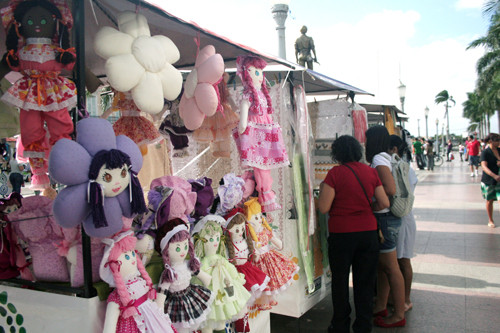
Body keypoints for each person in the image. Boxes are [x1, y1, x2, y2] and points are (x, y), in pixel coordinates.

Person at [318, 135, 389, 333]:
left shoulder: (335, 174)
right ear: (358, 152)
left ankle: (340, 325)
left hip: (342, 235)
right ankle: (363, 326)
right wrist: (367, 207)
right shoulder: (370, 172)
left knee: (340, 281)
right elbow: (384, 203)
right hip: (368, 233)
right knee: (365, 283)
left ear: (337, 153)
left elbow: (324, 207)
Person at [365, 125, 406, 328]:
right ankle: (381, 304)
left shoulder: (379, 159)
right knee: (383, 266)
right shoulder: (385, 157)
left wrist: (372, 204)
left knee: (391, 267)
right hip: (387, 217)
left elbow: (389, 189)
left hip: (384, 217)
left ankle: (398, 314)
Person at [390, 135, 417, 312]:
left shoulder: (402, 168)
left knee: (403, 260)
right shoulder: (406, 168)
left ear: (394, 149)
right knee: (398, 260)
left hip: (403, 217)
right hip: (404, 217)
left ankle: (406, 299)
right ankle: (399, 298)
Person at [479, 133, 500, 228]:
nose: (499, 142)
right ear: (490, 141)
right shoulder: (485, 152)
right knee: (490, 200)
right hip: (489, 180)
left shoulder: (499, 150)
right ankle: (490, 220)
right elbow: (484, 166)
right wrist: (494, 176)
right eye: (497, 140)